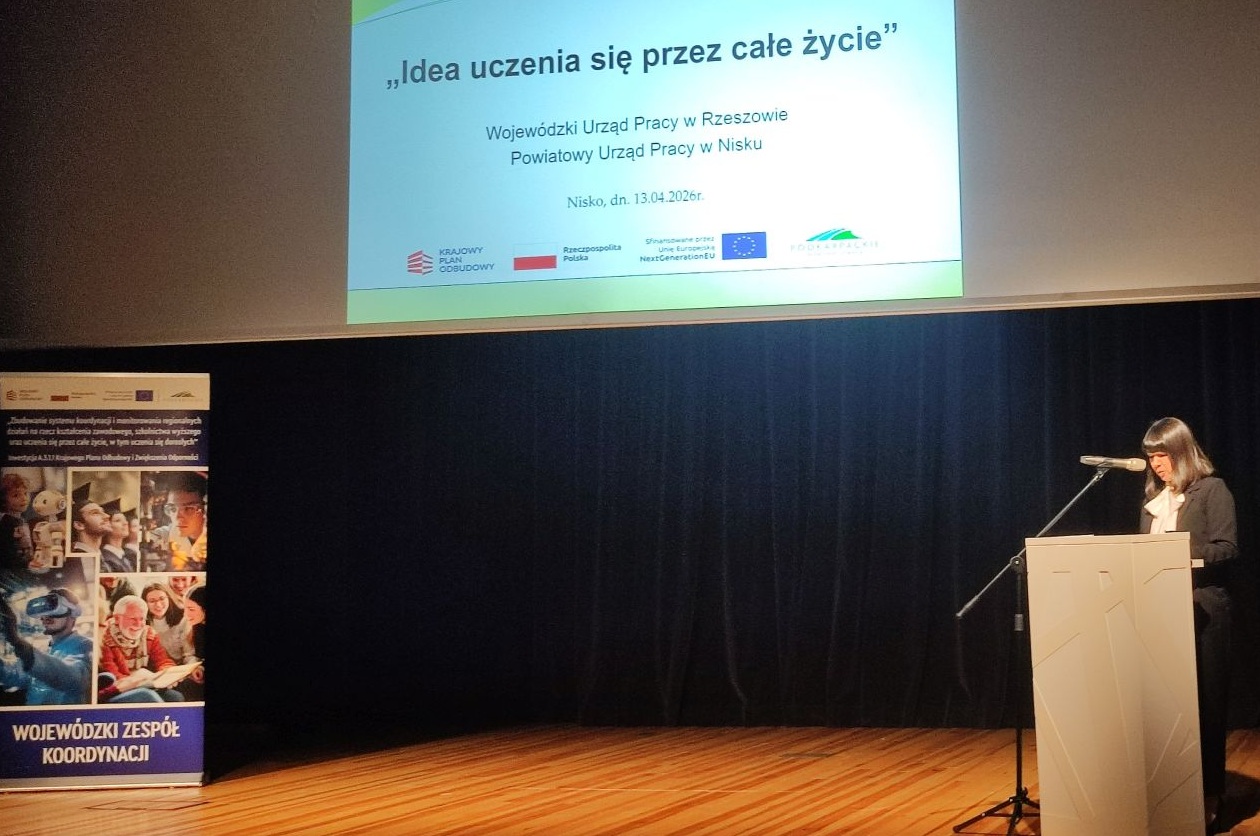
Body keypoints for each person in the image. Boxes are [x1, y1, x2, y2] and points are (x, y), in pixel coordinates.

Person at [1139, 417, 1237, 828]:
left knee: (1206, 707)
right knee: (1167, 708)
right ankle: (1171, 788)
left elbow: (1227, 547)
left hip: (1204, 611)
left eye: (1162, 455)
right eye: (1151, 457)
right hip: (1160, 613)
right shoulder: (1154, 501)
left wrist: (1180, 549)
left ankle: (1211, 791)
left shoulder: (1212, 490)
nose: (1156, 464)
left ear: (1181, 452)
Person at [0, 588, 92, 705]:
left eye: (54, 610)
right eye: (44, 611)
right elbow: (15, 676)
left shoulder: (85, 646)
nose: (45, 617)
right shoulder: (43, 649)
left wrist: (16, 640)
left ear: (73, 614)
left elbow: (71, 678)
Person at [97, 594, 181, 702]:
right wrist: (139, 680)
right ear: (117, 618)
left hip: (144, 682)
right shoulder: (103, 636)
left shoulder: (149, 633)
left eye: (142, 619)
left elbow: (162, 660)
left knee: (176, 697)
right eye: (133, 619)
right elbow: (113, 675)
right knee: (148, 696)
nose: (138, 624)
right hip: (119, 687)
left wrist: (167, 673)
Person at [141, 581, 188, 662]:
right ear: (145, 603)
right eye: (152, 601)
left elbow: (189, 653)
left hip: (182, 664)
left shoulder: (183, 618)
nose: (158, 604)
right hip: (156, 666)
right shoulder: (142, 623)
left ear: (168, 598)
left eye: (162, 598)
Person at [178, 583, 206, 701]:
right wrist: (200, 669)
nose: (186, 614)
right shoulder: (198, 626)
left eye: (191, 609)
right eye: (185, 608)